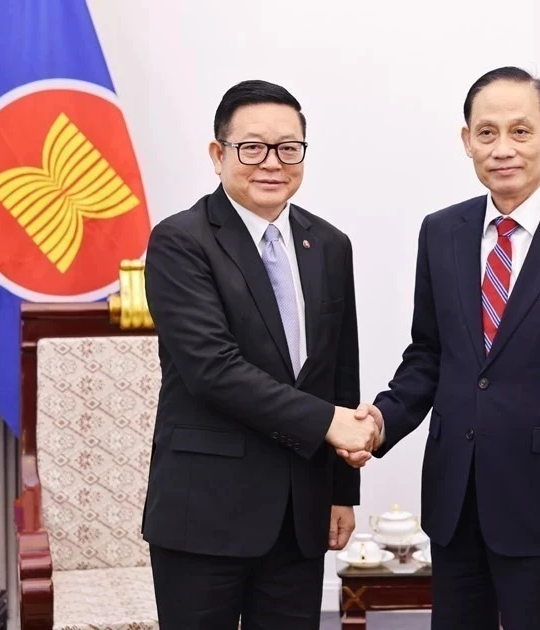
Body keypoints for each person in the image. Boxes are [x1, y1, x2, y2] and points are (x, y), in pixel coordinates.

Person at [346, 67, 540, 629]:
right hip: (455, 497)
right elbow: (429, 356)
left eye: (521, 131)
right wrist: (381, 422)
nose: (502, 148)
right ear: (466, 141)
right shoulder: (441, 231)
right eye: (486, 133)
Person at [142, 79, 378, 630]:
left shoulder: (329, 244)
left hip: (299, 517)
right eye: (252, 147)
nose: (272, 163)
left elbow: (340, 369)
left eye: (288, 148)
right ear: (217, 154)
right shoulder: (181, 241)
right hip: (204, 515)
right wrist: (329, 424)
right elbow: (212, 370)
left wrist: (342, 493)